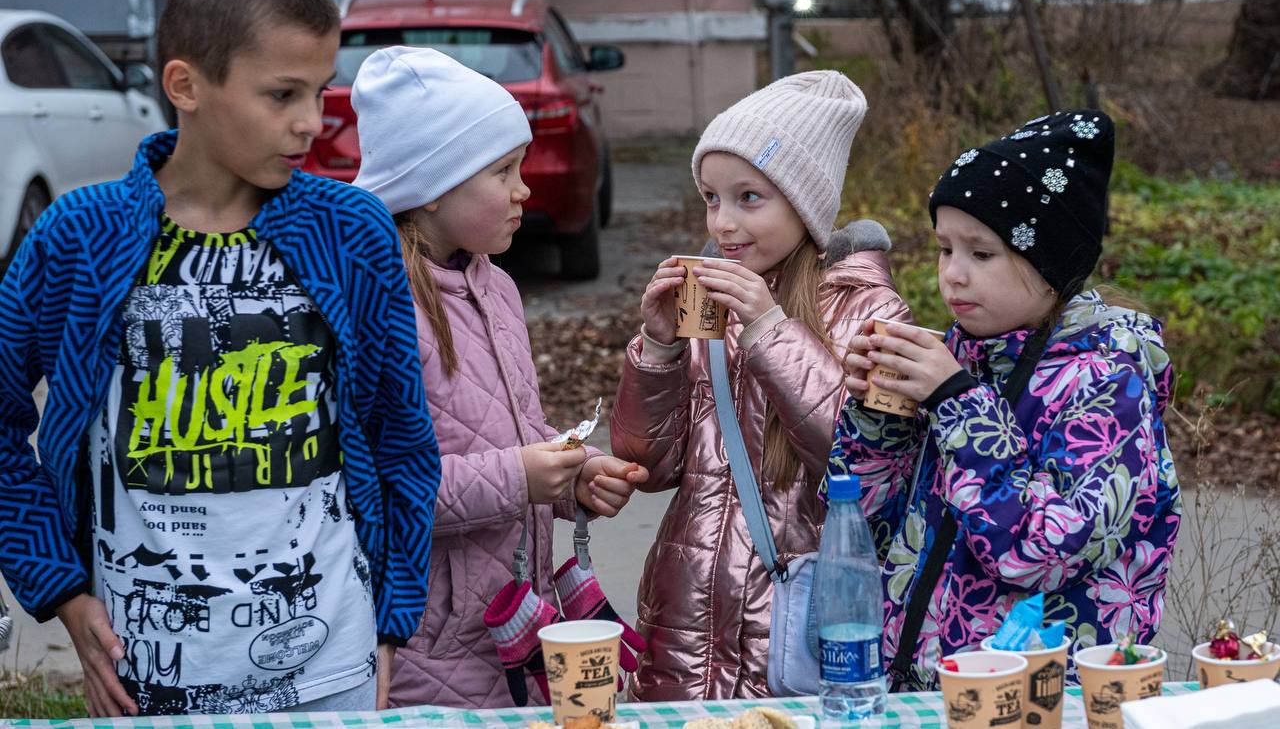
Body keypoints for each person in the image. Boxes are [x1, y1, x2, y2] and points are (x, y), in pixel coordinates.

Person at [0, 0, 441, 716]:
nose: (312, 122)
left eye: (321, 91)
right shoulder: (79, 236)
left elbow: (401, 435)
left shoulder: (353, 233)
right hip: (145, 683)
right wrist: (62, 591)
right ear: (186, 84)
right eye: (282, 95)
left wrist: (391, 623)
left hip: (330, 673)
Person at [830, 110, 1181, 690]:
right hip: (921, 684)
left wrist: (958, 405)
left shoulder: (1109, 384)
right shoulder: (957, 361)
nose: (953, 276)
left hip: (1039, 696)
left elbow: (1041, 554)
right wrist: (876, 416)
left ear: (1052, 266)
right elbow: (865, 526)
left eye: (981, 254)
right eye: (945, 249)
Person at [350, 47, 649, 708]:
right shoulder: (377, 303)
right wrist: (519, 477)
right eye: (503, 172)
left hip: (516, 622)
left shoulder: (498, 287)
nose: (525, 189)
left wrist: (572, 472)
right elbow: (372, 488)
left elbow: (508, 425)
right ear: (431, 189)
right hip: (429, 649)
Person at [610, 71, 912, 700]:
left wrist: (772, 330)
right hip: (685, 618)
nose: (723, 223)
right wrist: (660, 347)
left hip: (794, 626)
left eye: (749, 198)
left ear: (805, 204)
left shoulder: (869, 311)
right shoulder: (707, 306)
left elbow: (859, 461)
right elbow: (649, 464)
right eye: (711, 198)